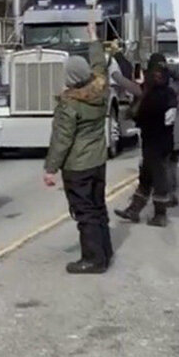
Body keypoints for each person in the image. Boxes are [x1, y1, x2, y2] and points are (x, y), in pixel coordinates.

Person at [42, 28, 113, 274]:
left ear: (70, 78)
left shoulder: (69, 105)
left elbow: (61, 140)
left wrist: (50, 169)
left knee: (84, 212)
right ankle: (105, 252)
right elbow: (100, 65)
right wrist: (94, 38)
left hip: (78, 167)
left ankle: (93, 259)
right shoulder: (100, 89)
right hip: (98, 161)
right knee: (98, 206)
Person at [115, 53, 177, 227]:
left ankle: (159, 214)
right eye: (154, 71)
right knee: (147, 176)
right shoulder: (148, 91)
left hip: (160, 143)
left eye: (160, 71)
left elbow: (165, 117)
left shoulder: (166, 93)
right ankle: (134, 210)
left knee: (158, 177)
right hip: (151, 140)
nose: (157, 75)